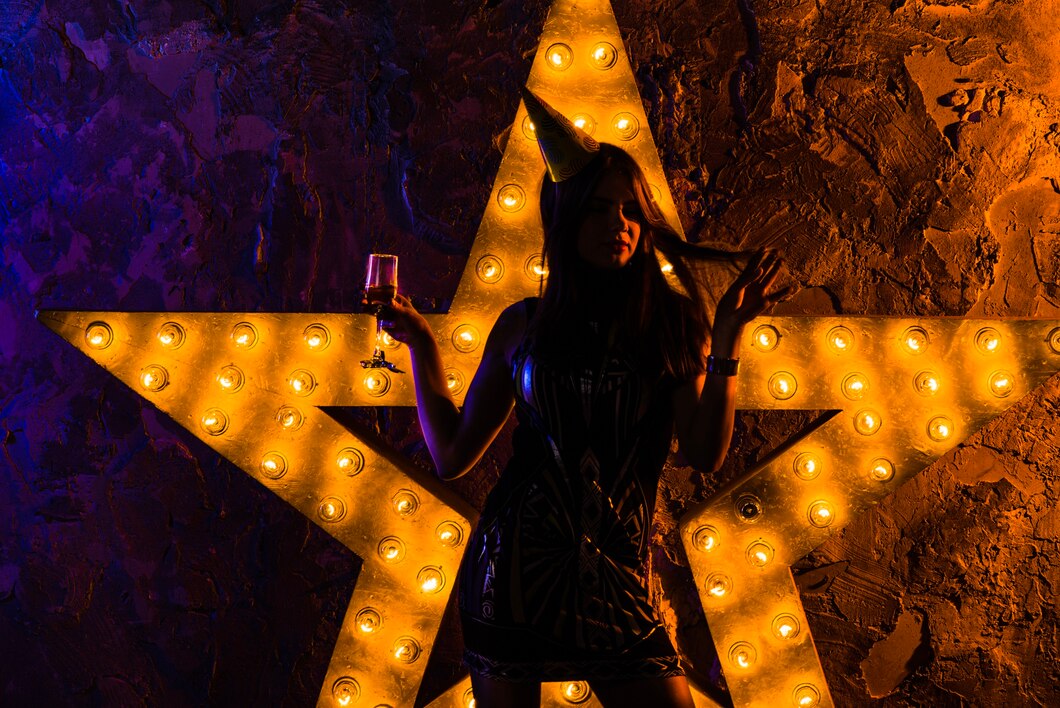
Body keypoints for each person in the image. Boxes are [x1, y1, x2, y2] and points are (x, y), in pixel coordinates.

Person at [378, 89, 790, 708]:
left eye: (630, 211)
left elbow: (706, 453)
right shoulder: (523, 326)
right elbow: (453, 455)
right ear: (565, 219)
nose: (618, 225)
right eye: (598, 210)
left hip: (618, 576)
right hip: (512, 574)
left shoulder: (672, 325)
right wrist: (420, 345)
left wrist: (728, 336)